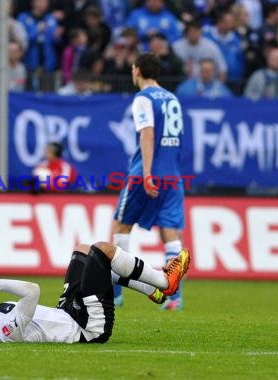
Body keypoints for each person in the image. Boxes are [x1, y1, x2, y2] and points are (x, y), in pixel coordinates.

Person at [0, 242, 191, 343]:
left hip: (69, 312)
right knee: (101, 252)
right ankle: (163, 281)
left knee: (83, 250)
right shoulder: (7, 330)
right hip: (88, 328)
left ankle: (153, 289)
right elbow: (32, 291)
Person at [112, 53, 186, 311]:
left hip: (146, 173)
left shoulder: (143, 98)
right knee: (170, 234)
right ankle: (174, 297)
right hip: (173, 175)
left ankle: (115, 295)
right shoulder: (173, 98)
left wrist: (146, 173)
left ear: (137, 70)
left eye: (133, 68)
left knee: (120, 228)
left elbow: (147, 133)